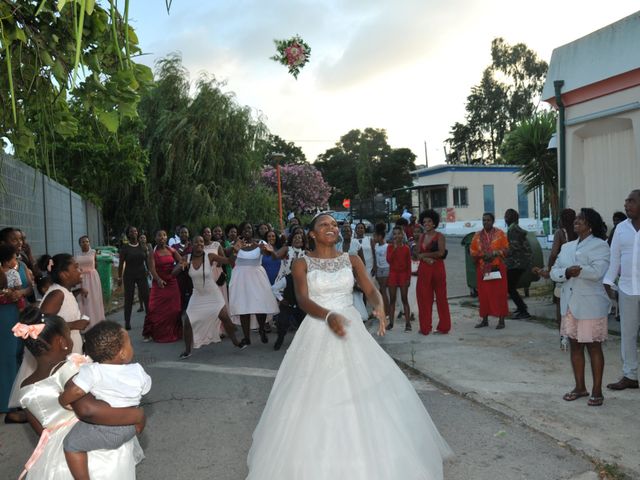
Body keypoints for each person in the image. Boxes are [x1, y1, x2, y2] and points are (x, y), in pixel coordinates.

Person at [246, 213, 452, 479]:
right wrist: (328, 315)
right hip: (318, 328)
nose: (331, 228)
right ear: (312, 233)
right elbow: (303, 300)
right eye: (324, 225)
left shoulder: (351, 259)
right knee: (312, 395)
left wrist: (378, 306)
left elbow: (370, 289)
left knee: (367, 391)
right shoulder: (301, 263)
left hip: (351, 325)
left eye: (334, 225)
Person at [15, 307, 144, 479]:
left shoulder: (24, 388)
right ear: (63, 342)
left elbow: (42, 432)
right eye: (68, 334)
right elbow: (88, 410)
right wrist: (135, 415)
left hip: (55, 455)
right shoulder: (69, 369)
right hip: (92, 449)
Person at [59, 320, 151, 479]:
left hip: (106, 430)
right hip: (129, 427)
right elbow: (145, 388)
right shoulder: (137, 370)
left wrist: (62, 400)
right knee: (138, 410)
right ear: (122, 353)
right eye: (129, 343)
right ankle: (139, 427)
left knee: (71, 444)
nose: (131, 347)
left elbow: (76, 390)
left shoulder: (92, 371)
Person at [551, 208, 610, 406]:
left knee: (593, 347)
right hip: (570, 304)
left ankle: (597, 390)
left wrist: (579, 271)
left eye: (581, 219)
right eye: (576, 219)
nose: (576, 221)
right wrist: (566, 272)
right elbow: (554, 271)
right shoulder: (567, 247)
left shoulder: (600, 245)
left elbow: (599, 272)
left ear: (590, 225)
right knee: (575, 346)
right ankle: (580, 387)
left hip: (591, 305)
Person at [176, 236, 245, 359]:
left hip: (213, 293)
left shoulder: (210, 256)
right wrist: (181, 265)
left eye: (201, 241)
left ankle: (236, 342)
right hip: (197, 295)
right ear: (192, 244)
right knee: (187, 321)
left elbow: (229, 261)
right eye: (196, 241)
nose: (199, 243)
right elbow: (173, 273)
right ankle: (187, 350)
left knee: (224, 317)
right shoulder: (187, 258)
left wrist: (235, 251)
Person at [604, 190, 640, 391]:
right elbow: (614, 257)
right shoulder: (621, 229)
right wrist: (609, 281)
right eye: (626, 201)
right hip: (627, 289)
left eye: (632, 201)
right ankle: (630, 376)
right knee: (628, 334)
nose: (627, 205)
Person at [0, 227, 33, 424]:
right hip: (4, 315)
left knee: (20, 355)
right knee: (8, 357)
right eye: (15, 239)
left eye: (21, 239)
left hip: (20, 313)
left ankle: (18, 398)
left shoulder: (20, 263)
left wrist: (19, 294)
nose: (20, 242)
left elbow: (30, 288)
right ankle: (8, 404)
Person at [228, 222, 279, 346]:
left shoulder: (260, 244)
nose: (247, 230)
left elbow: (272, 256)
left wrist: (267, 250)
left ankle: (261, 329)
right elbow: (230, 261)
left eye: (249, 228)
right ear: (240, 231)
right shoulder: (235, 245)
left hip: (257, 278)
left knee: (259, 306)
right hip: (240, 278)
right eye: (244, 228)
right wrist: (235, 250)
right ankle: (247, 337)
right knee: (243, 307)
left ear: (252, 230)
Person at [533, 208, 577, 349]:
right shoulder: (580, 232)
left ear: (561, 220)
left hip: (562, 273)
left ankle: (563, 336)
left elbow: (553, 254)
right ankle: (576, 335)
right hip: (577, 273)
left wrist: (550, 270)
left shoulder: (560, 233)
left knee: (561, 306)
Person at [40, 254, 89, 353]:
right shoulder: (57, 294)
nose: (80, 270)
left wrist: (78, 291)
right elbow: (41, 324)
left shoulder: (64, 291)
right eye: (76, 267)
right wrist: (73, 325)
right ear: (64, 274)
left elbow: (65, 304)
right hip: (61, 352)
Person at [470, 213, 509, 329]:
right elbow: (472, 251)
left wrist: (495, 253)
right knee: (484, 295)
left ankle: (501, 320)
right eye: (483, 220)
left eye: (488, 220)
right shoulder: (477, 236)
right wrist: (483, 255)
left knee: (500, 294)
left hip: (497, 268)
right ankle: (484, 319)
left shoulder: (500, 234)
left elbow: (507, 250)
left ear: (493, 221)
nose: (485, 222)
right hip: (483, 269)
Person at [415, 209, 451, 335]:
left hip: (438, 269)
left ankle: (444, 327)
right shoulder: (421, 236)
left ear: (434, 222)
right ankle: (425, 328)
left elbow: (441, 253)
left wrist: (425, 255)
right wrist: (426, 258)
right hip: (425, 269)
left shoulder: (440, 236)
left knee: (441, 298)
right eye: (424, 221)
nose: (427, 223)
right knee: (423, 298)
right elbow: (417, 254)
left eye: (429, 221)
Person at [142, 230, 182, 343]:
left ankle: (174, 332)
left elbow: (182, 261)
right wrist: (158, 279)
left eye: (164, 235)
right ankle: (149, 333)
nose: (162, 237)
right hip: (159, 283)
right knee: (154, 308)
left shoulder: (171, 250)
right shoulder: (152, 252)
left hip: (172, 282)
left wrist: (179, 268)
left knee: (175, 308)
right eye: (159, 235)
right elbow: (151, 269)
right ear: (155, 238)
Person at [118, 226, 150, 330]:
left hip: (142, 274)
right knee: (129, 298)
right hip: (129, 275)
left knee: (146, 297)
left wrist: (149, 270)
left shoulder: (142, 246)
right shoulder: (125, 248)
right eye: (131, 232)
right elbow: (121, 263)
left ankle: (150, 319)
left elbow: (146, 260)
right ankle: (127, 322)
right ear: (128, 234)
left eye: (135, 231)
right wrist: (119, 277)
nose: (134, 233)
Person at [504, 209, 533, 320]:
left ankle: (523, 310)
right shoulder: (515, 228)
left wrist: (504, 253)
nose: (505, 219)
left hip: (517, 263)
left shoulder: (512, 230)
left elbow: (514, 247)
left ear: (509, 218)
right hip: (521, 262)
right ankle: (521, 307)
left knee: (509, 287)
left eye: (506, 216)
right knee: (511, 286)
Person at [75, 236, 105, 330]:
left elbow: (95, 264)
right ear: (80, 244)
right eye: (83, 242)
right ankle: (85, 323)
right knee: (83, 301)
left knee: (94, 300)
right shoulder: (76, 254)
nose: (85, 243)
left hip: (92, 278)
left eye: (87, 241)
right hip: (81, 279)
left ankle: (97, 321)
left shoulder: (93, 252)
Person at [386, 226, 412, 331]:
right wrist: (395, 248)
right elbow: (389, 260)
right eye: (395, 234)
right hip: (393, 274)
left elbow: (409, 264)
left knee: (404, 299)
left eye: (399, 233)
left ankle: (408, 323)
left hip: (403, 275)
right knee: (392, 300)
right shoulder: (390, 247)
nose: (397, 236)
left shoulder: (406, 248)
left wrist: (408, 278)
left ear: (402, 235)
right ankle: (391, 323)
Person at [372, 222, 390, 324]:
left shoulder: (387, 246)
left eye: (375, 236)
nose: (374, 237)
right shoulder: (376, 247)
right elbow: (376, 259)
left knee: (383, 292)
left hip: (386, 269)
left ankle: (386, 313)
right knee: (381, 291)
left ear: (380, 236)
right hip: (379, 269)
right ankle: (383, 311)